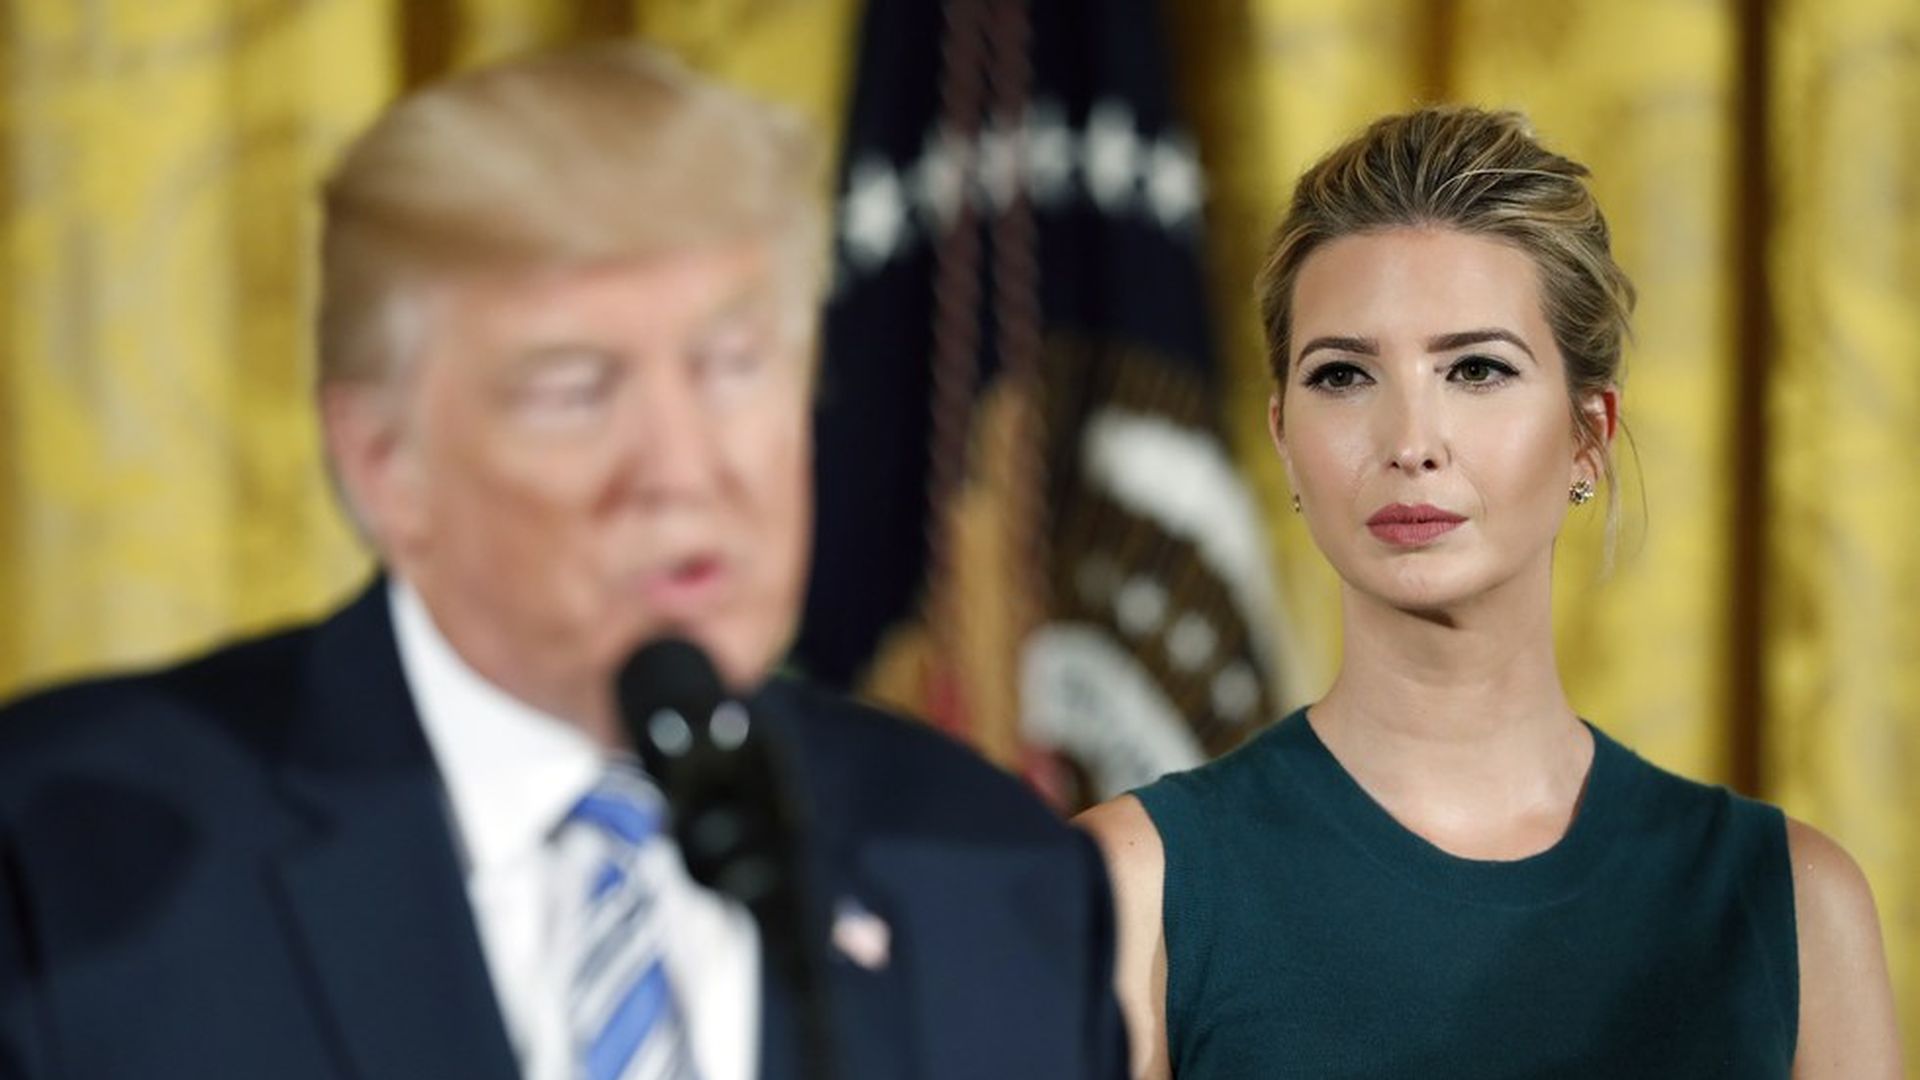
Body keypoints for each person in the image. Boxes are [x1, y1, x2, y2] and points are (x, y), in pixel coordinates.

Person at [0, 44, 1126, 1080]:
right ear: (385, 462)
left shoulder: (996, 883)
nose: (681, 468)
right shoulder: (64, 866)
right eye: (575, 392)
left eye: (733, 367)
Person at [1078, 105, 1902, 1079]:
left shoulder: (1796, 909)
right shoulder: (1135, 890)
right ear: (1283, 437)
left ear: (1589, 434)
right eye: (1342, 375)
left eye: (1476, 369)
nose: (1409, 442)